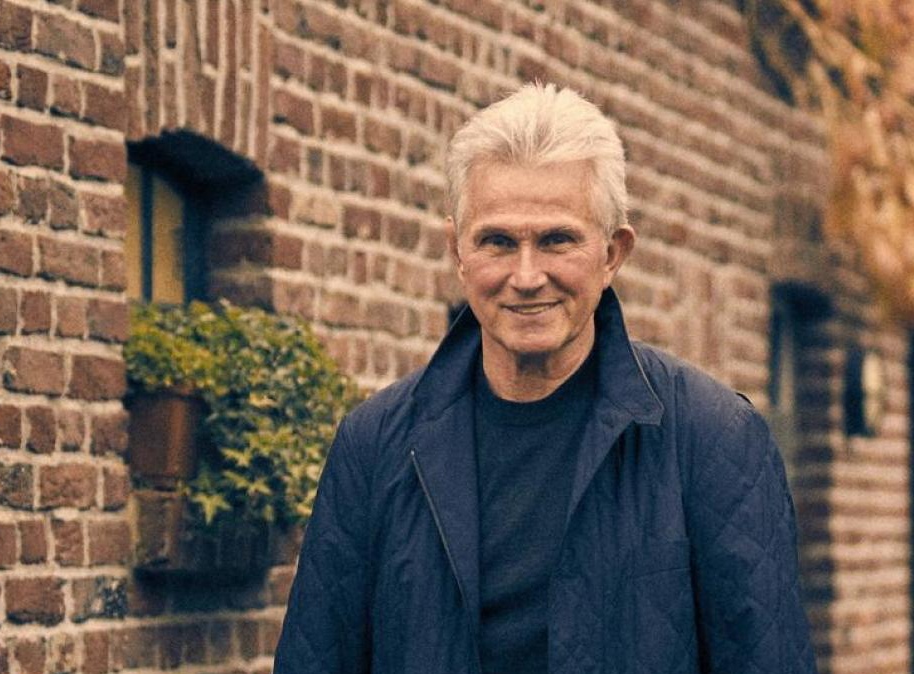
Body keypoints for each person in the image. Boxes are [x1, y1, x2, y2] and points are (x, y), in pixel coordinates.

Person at [273, 83, 815, 674]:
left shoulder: (713, 438)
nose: (527, 276)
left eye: (557, 240)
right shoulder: (374, 445)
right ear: (457, 252)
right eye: (498, 242)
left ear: (613, 254)